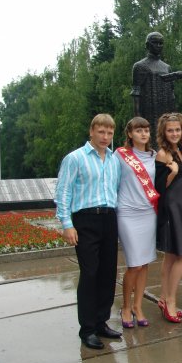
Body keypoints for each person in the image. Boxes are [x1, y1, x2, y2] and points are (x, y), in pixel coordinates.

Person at [55, 114, 122, 350]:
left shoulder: (114, 160)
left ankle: (101, 322)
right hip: (85, 220)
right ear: (91, 131)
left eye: (109, 133)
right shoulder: (75, 158)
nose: (105, 137)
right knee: (90, 273)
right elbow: (63, 192)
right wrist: (67, 224)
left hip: (109, 218)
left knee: (108, 273)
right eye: (101, 132)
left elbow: (116, 190)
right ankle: (88, 329)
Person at [115, 117, 158, 328]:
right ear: (130, 134)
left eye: (146, 130)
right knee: (134, 264)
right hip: (127, 212)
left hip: (148, 212)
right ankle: (125, 307)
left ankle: (138, 306)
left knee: (145, 262)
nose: (143, 134)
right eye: (139, 130)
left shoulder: (154, 156)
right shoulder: (120, 155)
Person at [155, 113, 182, 323]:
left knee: (170, 256)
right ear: (164, 132)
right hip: (171, 208)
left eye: (177, 129)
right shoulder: (163, 154)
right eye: (170, 130)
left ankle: (162, 297)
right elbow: (159, 187)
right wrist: (172, 172)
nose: (174, 133)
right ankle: (170, 301)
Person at [131, 32, 179, 147]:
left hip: (165, 110)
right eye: (155, 43)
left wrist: (173, 116)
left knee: (166, 140)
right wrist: (138, 118)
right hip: (148, 110)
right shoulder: (140, 66)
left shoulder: (166, 67)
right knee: (150, 141)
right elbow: (136, 93)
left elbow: (172, 94)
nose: (158, 46)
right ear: (147, 45)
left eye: (160, 43)